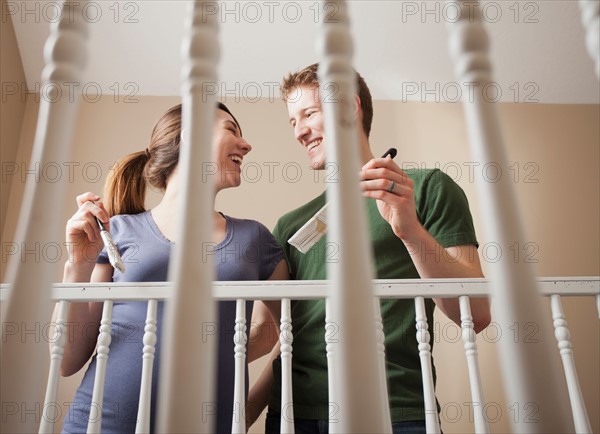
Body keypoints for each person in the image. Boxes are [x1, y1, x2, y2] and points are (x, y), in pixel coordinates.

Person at [247, 63, 492, 434]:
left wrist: (409, 230)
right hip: (294, 417)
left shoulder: (425, 189)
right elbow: (276, 336)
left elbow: (475, 312)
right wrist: (237, 411)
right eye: (292, 121)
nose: (299, 131)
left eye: (309, 113)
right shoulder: (289, 225)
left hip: (396, 410)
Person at [59, 102, 288, 434]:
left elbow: (282, 334)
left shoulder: (255, 238)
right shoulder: (119, 231)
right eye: (231, 129)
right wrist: (77, 264)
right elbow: (67, 360)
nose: (246, 144)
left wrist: (243, 409)